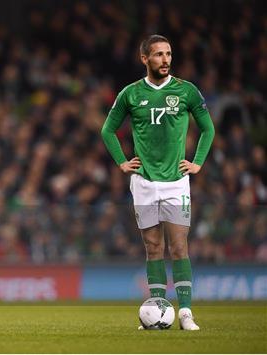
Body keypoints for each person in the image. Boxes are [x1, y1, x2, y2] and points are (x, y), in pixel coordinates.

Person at [100, 34, 215, 330]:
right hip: (144, 182)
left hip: (177, 181)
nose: (165, 59)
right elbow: (107, 130)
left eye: (168, 54)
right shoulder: (130, 94)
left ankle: (186, 312)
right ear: (144, 58)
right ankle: (158, 310)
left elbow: (208, 129)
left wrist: (198, 162)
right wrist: (122, 162)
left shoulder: (186, 91)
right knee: (153, 248)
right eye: (159, 54)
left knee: (179, 247)